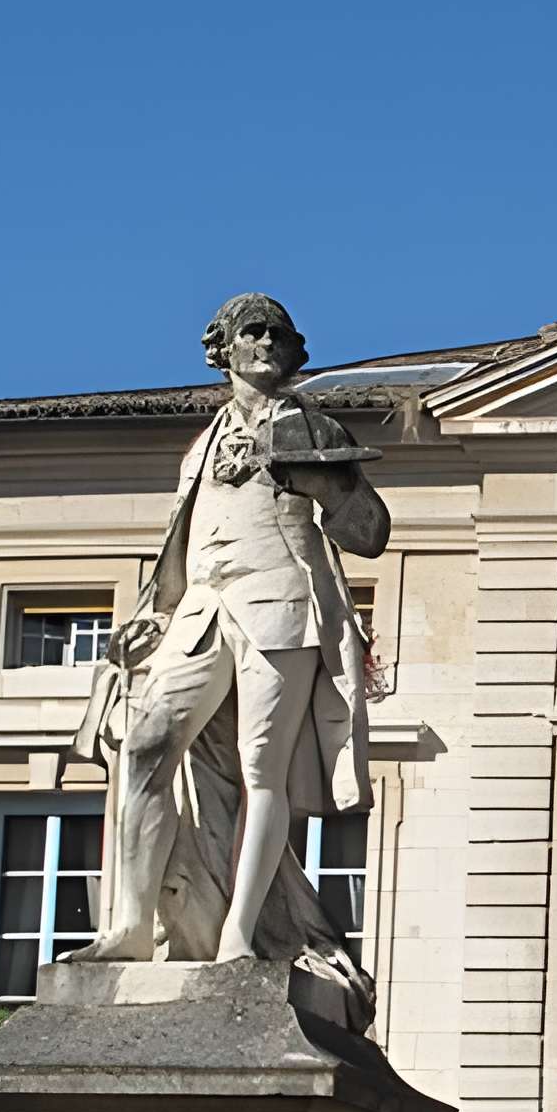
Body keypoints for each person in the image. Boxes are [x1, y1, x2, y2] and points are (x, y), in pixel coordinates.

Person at [70, 293, 385, 1015]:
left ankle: (239, 935)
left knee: (260, 769)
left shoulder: (313, 424)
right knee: (146, 744)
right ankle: (129, 923)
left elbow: (369, 530)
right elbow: (185, 540)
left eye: (280, 332)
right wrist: (153, 613)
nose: (268, 341)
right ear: (222, 348)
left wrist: (321, 484)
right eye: (254, 330)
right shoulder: (203, 440)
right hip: (202, 609)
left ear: (296, 352)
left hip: (281, 606)